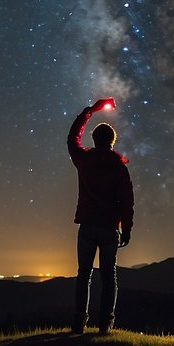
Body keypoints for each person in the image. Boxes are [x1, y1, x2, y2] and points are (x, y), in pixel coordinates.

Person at [67, 97, 134, 334]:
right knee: (108, 276)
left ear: (95, 140)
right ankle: (105, 324)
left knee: (83, 275)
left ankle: (78, 323)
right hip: (108, 228)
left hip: (87, 226)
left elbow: (72, 138)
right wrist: (126, 228)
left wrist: (90, 111)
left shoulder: (84, 160)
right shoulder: (118, 167)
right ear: (112, 142)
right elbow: (127, 200)